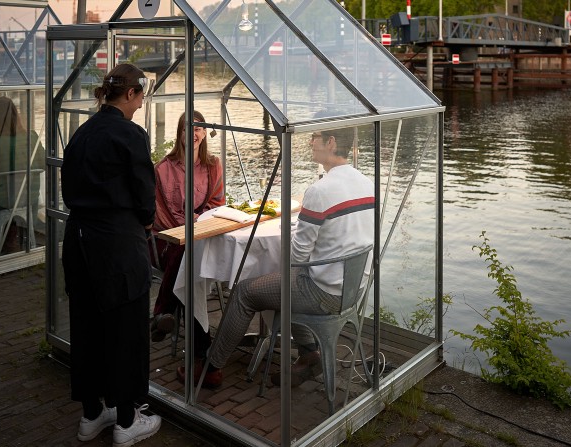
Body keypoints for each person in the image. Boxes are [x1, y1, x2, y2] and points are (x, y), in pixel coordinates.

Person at [205, 124, 374, 388]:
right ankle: (309, 354)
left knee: (245, 292)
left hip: (324, 293)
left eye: (315, 137)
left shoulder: (320, 190)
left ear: (331, 142)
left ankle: (210, 369)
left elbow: (297, 255)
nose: (310, 143)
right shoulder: (366, 183)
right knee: (286, 281)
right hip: (354, 289)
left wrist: (296, 233)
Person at [61, 63, 161, 445]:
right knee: (126, 330)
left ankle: (91, 414)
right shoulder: (130, 134)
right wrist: (145, 222)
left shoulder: (82, 133)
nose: (140, 104)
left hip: (79, 238)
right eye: (141, 97)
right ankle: (126, 420)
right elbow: (143, 195)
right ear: (132, 94)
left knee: (86, 326)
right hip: (117, 241)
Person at [148, 111, 224, 386]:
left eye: (200, 129)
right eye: (188, 128)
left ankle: (163, 314)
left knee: (192, 261)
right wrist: (192, 227)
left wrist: (199, 225)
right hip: (167, 240)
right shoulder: (163, 169)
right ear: (179, 133)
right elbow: (163, 217)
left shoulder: (213, 165)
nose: (194, 133)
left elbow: (217, 204)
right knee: (185, 254)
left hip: (200, 234)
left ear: (204, 134)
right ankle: (203, 355)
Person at [0, 97, 44, 255]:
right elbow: (41, 163)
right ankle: (12, 237)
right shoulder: (32, 136)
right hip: (29, 199)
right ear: (16, 114)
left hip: (0, 201)